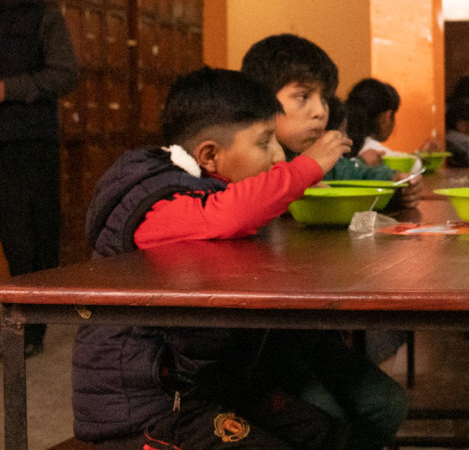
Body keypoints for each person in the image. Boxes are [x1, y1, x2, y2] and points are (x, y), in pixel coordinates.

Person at [71, 67, 408, 448]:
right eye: (265, 142)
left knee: (327, 434)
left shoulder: (201, 186)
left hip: (211, 387)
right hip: (149, 407)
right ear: (210, 155)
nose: (277, 155)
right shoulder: (156, 201)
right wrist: (308, 166)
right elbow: (229, 214)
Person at [0, 0, 79, 357]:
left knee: (27, 237)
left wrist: (8, 89)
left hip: (24, 142)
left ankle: (31, 330)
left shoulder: (41, 14)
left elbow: (64, 74)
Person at [241, 34, 421, 207]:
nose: (320, 112)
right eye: (303, 97)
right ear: (262, 100)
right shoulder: (247, 161)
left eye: (324, 99)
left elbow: (355, 173)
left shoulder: (313, 153)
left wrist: (394, 181)